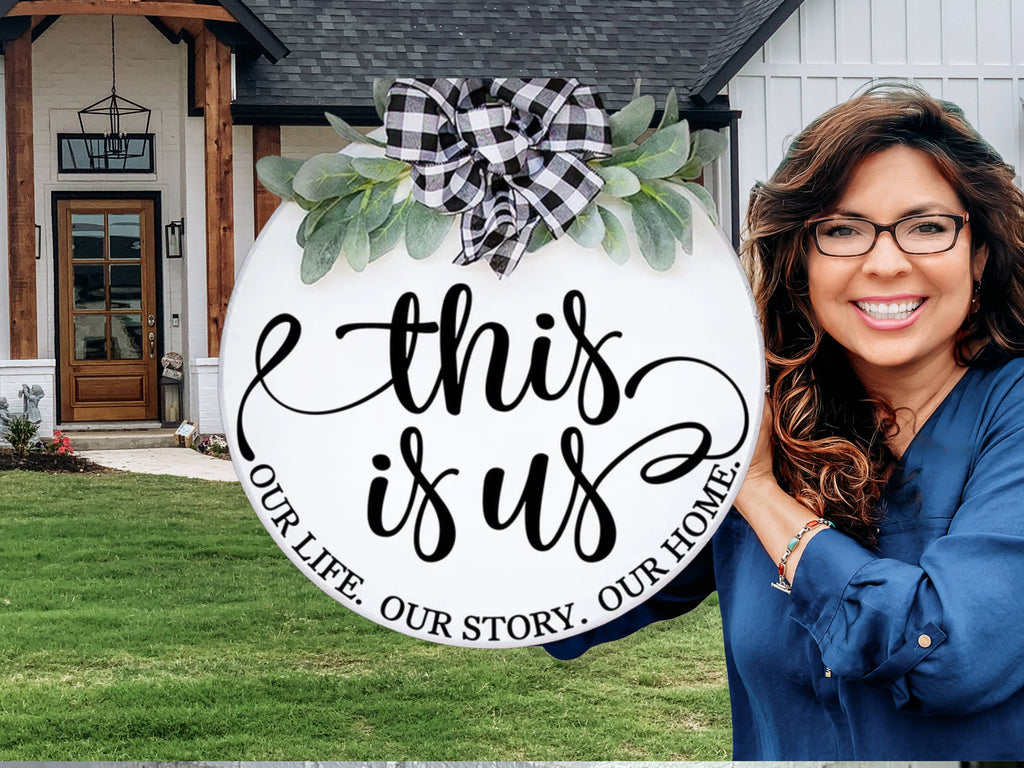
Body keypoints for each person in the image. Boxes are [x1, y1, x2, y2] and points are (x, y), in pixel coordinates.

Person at [545, 83, 1024, 759]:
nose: (886, 263)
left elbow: (949, 657)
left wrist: (761, 492)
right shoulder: (769, 413)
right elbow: (574, 598)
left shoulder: (1011, 413)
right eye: (843, 230)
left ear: (978, 254)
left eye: (926, 226)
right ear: (801, 260)